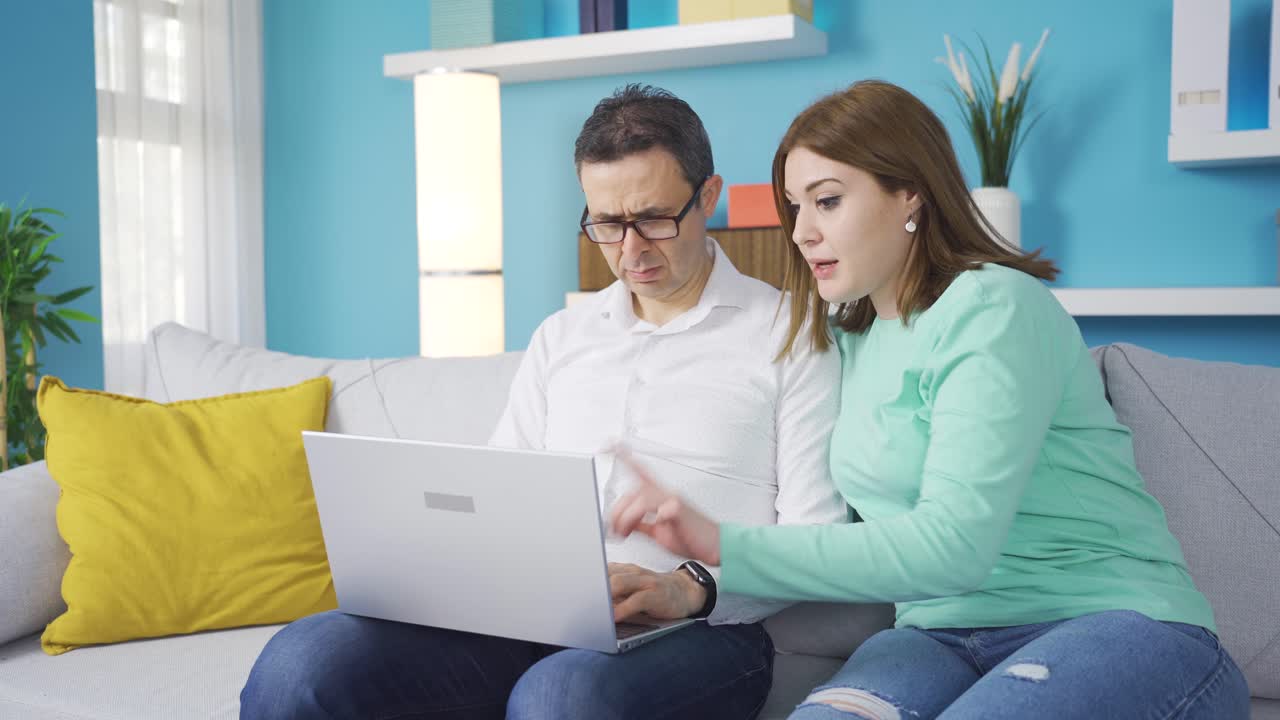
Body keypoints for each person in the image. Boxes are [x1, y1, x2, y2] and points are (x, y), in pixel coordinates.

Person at [609, 79, 1251, 720]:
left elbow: (954, 547)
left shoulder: (993, 307)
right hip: (935, 636)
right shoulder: (844, 338)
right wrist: (690, 583)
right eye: (794, 207)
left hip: (1110, 620)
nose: (802, 232)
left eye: (827, 201)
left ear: (909, 192)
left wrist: (719, 542)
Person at [239, 84, 846, 720]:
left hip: (705, 633)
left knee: (559, 697)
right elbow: (499, 492)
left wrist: (689, 587)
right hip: (532, 620)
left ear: (710, 197)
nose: (630, 251)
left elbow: (818, 536)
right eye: (607, 224)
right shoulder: (562, 338)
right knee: (301, 660)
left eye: (654, 219)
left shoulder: (792, 334)